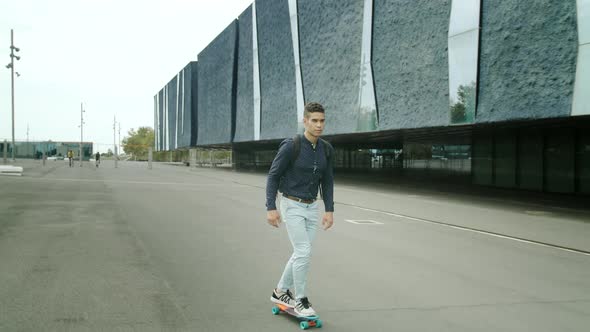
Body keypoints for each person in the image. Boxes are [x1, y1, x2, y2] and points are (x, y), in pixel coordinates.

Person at [266, 102, 335, 317]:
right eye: (314, 120)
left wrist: (329, 209)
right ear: (304, 121)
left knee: (301, 252)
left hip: (312, 207)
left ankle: (279, 291)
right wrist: (271, 207)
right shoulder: (291, 146)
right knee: (304, 252)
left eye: (322, 121)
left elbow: (328, 181)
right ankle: (301, 300)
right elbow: (273, 176)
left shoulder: (326, 148)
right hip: (291, 204)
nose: (318, 125)